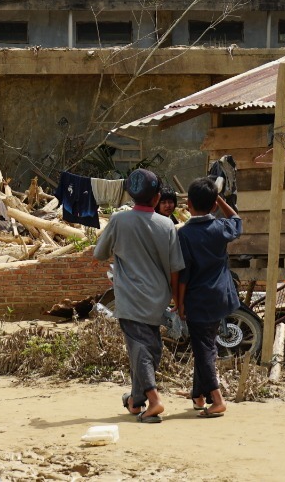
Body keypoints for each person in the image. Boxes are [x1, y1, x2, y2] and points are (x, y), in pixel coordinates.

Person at [93, 168, 184, 423]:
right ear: (156, 198)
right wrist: (177, 301)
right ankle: (136, 401)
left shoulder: (119, 221)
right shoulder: (166, 224)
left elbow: (99, 254)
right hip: (158, 297)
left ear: (132, 197)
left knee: (140, 348)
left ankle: (154, 401)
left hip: (130, 297)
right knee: (149, 347)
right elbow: (176, 268)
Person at [174, 178, 243, 418]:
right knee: (206, 344)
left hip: (198, 299)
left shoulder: (185, 235)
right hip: (221, 297)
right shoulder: (221, 228)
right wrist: (220, 200)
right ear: (214, 205)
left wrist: (179, 303)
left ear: (189, 204)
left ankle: (217, 399)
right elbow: (237, 220)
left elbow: (184, 274)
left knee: (204, 349)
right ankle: (199, 396)